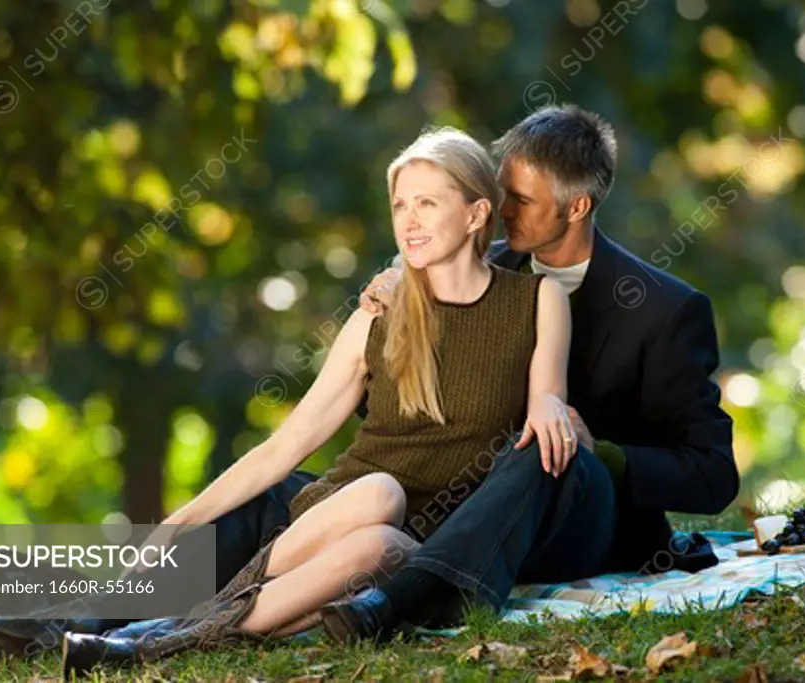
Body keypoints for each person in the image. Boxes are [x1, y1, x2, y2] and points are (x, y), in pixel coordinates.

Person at [56, 126, 576, 676]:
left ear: (475, 215)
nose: (409, 220)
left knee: (388, 545)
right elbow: (289, 445)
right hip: (340, 515)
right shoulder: (378, 314)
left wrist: (550, 401)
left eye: (428, 203)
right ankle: (159, 640)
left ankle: (167, 635)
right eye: (400, 205)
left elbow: (548, 397)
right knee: (380, 494)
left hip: (424, 543)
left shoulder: (539, 299)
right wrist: (177, 525)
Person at [317, 104, 740, 643]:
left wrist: (599, 451)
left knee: (539, 442)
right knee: (272, 494)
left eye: (520, 200)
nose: (500, 208)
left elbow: (713, 475)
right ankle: (174, 589)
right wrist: (389, 326)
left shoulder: (665, 310)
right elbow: (391, 409)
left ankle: (397, 601)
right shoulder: (471, 269)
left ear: (577, 205)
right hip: (451, 506)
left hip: (586, 523)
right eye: (501, 192)